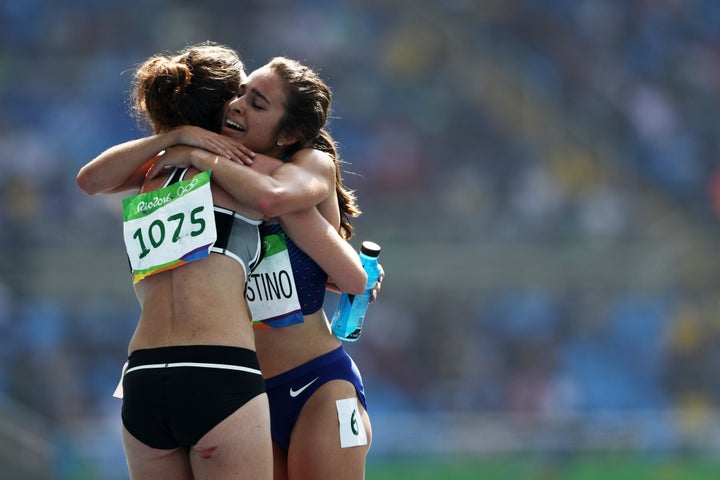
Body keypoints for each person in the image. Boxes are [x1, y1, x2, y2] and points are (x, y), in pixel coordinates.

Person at [145, 56, 380, 480]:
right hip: (242, 393)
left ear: (287, 133)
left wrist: (202, 155)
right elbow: (99, 180)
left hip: (318, 383)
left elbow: (349, 275)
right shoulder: (203, 177)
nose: (236, 105)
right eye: (238, 94)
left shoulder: (307, 167)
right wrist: (180, 145)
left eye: (256, 103)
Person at [76, 43, 280, 480]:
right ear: (227, 107)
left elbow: (89, 180)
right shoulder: (245, 170)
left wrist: (173, 141)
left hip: (145, 376)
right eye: (242, 97)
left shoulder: (152, 174)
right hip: (218, 370)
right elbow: (292, 193)